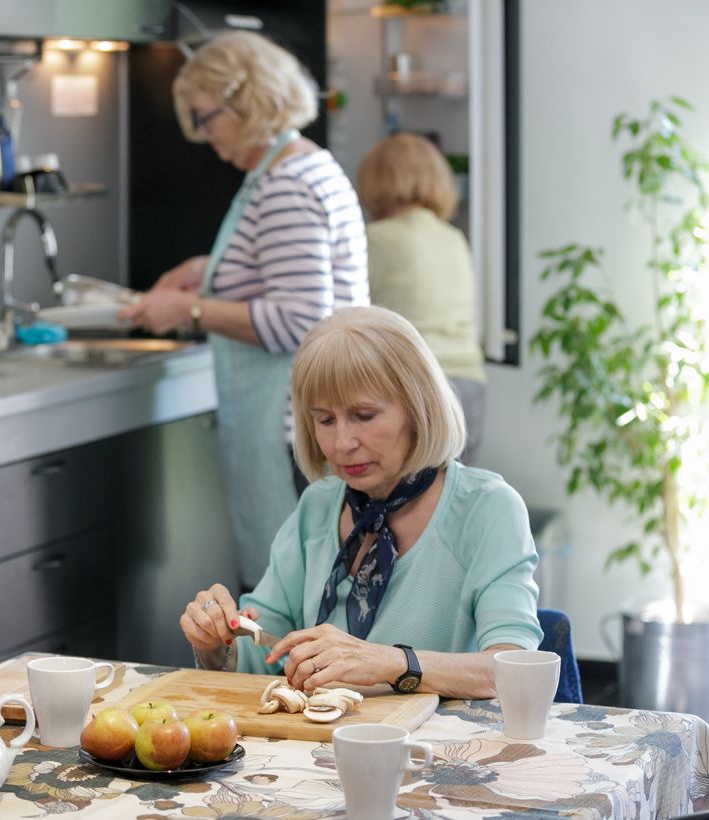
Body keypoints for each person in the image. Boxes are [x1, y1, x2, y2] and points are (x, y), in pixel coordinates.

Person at [178, 307, 541, 699]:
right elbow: (261, 653)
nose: (342, 444)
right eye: (325, 420)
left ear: (417, 409)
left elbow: (513, 671)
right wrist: (216, 641)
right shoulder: (318, 507)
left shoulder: (487, 510)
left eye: (364, 416)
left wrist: (392, 663)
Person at [119, 31, 369, 590]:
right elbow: (285, 268)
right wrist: (206, 269)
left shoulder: (285, 184)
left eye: (206, 118)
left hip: (293, 426)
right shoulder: (304, 166)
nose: (204, 135)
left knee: (293, 595)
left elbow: (301, 320)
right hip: (312, 415)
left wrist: (192, 309)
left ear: (246, 102)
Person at [357, 132, 487, 462]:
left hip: (412, 386)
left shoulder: (374, 239)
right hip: (469, 386)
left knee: (400, 494)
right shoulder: (454, 238)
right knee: (451, 492)